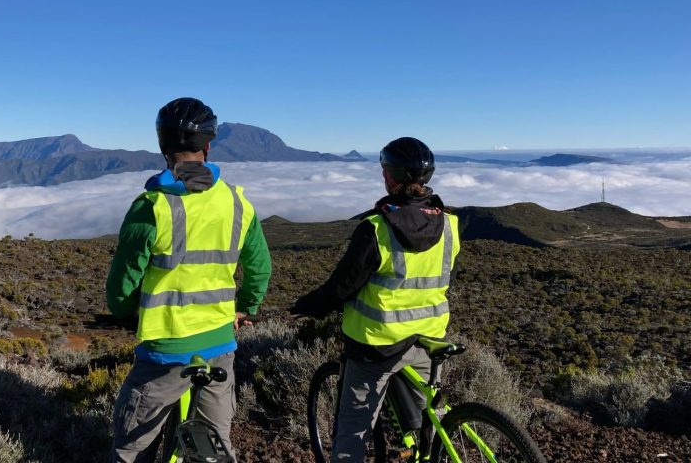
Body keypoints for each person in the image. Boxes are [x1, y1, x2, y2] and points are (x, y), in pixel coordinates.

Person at [107, 97, 271, 463]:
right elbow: (260, 268)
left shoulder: (151, 206)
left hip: (164, 353)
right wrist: (245, 307)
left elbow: (121, 287)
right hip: (218, 346)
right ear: (208, 146)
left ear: (163, 147)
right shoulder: (238, 202)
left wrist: (125, 312)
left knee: (131, 450)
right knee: (212, 450)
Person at [291, 137, 460, 462]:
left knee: (352, 433)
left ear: (390, 176)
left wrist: (308, 306)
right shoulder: (450, 226)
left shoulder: (376, 228)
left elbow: (342, 287)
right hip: (428, 338)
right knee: (428, 420)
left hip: (376, 346)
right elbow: (446, 278)